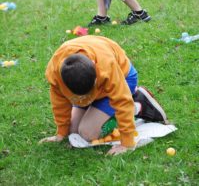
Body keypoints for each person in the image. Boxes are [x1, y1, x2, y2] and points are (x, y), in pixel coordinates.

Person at [39, 35, 167, 156]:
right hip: (95, 86)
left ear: (96, 71)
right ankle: (95, 108)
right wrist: (61, 133)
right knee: (72, 131)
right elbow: (59, 103)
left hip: (123, 78)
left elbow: (121, 101)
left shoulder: (106, 66)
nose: (87, 98)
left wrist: (127, 142)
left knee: (87, 133)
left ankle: (138, 105)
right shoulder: (55, 73)